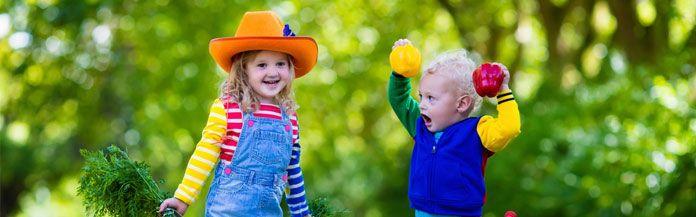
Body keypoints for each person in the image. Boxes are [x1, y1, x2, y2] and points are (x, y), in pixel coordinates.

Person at [159, 11, 316, 217]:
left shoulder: (289, 118)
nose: (272, 72)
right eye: (262, 64)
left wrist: (302, 214)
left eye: (280, 63)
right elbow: (205, 153)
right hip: (227, 211)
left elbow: (293, 171)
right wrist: (183, 197)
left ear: (290, 68)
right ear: (244, 70)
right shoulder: (228, 108)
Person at [388, 39, 521, 217]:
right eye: (421, 96)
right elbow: (399, 100)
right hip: (423, 212)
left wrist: (503, 90)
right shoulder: (420, 126)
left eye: (430, 98)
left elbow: (509, 128)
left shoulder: (478, 131)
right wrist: (400, 71)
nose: (421, 105)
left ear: (462, 103)